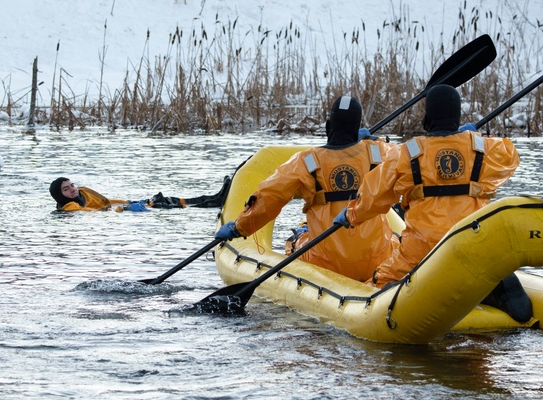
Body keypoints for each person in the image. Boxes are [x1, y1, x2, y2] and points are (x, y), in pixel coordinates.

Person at [335, 84, 520, 287]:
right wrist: (475, 139)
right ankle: (494, 287)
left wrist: (351, 214)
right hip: (473, 243)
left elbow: (373, 196)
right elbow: (510, 158)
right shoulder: (485, 149)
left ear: (425, 120)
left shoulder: (404, 153)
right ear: (458, 117)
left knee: (377, 283)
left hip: (421, 252)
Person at [214, 95, 396, 283]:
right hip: (378, 260)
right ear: (358, 129)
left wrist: (240, 227)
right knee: (395, 238)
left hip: (325, 264)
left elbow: (268, 198)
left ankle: (301, 236)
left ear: (327, 126)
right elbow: (409, 159)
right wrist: (376, 141)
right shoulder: (380, 152)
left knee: (295, 240)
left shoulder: (305, 162)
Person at [49, 176, 230, 212]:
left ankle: (214, 197)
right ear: (60, 195)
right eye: (66, 189)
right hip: (121, 212)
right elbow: (93, 211)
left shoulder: (82, 193)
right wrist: (124, 208)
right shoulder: (70, 207)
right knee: (164, 205)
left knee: (165, 199)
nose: (72, 189)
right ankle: (214, 203)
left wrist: (127, 201)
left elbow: (105, 201)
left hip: (122, 206)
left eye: (71, 185)